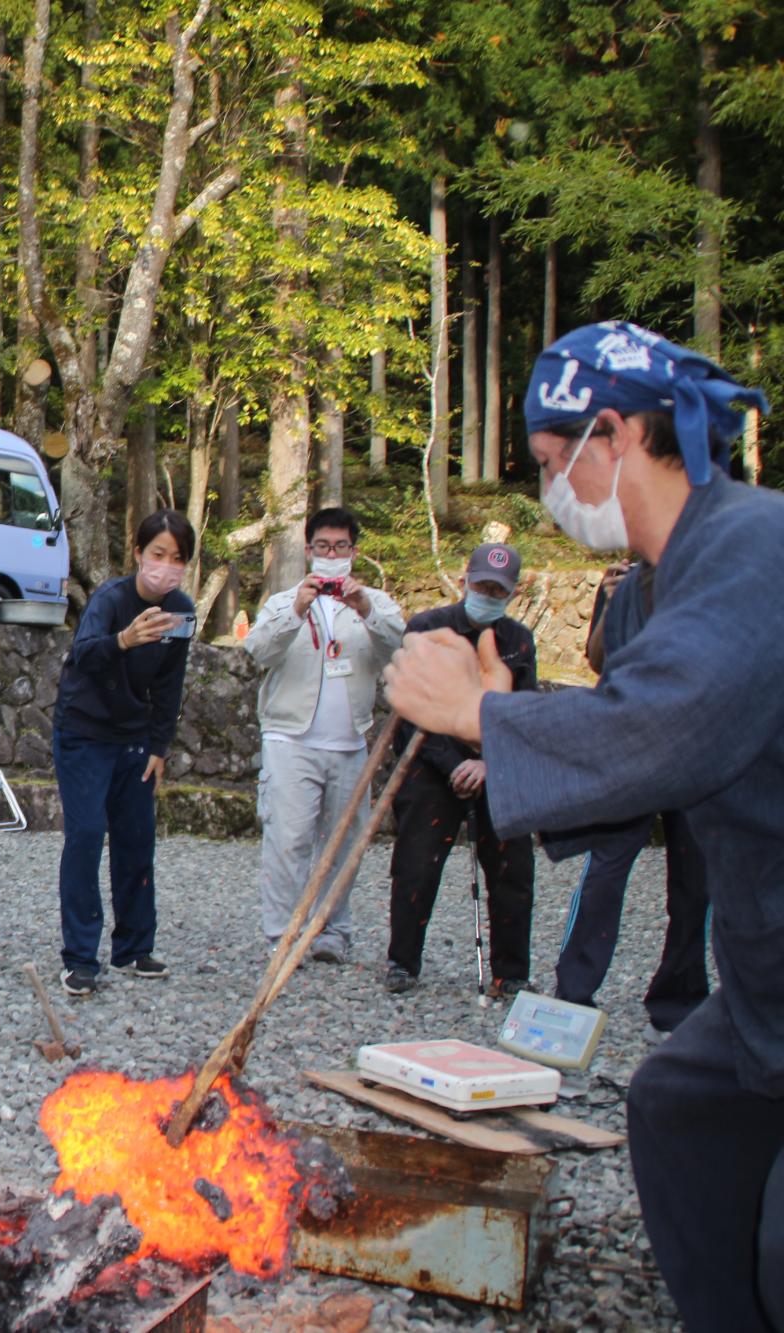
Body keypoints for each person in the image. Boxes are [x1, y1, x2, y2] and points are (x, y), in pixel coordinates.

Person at [382, 321, 778, 1333]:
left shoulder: (751, 546)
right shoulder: (663, 576)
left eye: (553, 463)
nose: (551, 489)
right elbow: (637, 745)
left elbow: (660, 726)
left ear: (610, 434)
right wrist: (506, 713)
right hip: (763, 982)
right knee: (680, 1107)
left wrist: (479, 718)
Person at [242, 507, 406, 962]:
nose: (331, 555)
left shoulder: (375, 602)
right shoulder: (282, 600)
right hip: (289, 741)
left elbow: (400, 645)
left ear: (353, 552)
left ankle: (333, 929)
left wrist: (366, 608)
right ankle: (282, 932)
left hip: (351, 743)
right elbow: (257, 651)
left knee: (342, 841)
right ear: (309, 550)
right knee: (287, 839)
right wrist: (298, 609)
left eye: (340, 547)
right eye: (322, 547)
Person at [552, 561, 709, 1032]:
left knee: (695, 879)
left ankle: (679, 995)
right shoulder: (625, 579)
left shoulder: (709, 575)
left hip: (697, 741)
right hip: (629, 741)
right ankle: (575, 988)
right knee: (606, 867)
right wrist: (614, 604)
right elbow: (598, 659)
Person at [51, 510, 197, 995]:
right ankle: (79, 957)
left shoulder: (181, 611)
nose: (166, 566)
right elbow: (83, 654)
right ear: (138, 553)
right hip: (85, 730)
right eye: (157, 554)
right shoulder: (111, 600)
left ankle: (134, 947)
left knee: (137, 839)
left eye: (177, 558)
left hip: (135, 737)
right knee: (87, 834)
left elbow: (170, 683)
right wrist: (125, 639)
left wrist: (159, 745)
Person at [383, 544, 538, 997]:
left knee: (513, 869)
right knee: (416, 864)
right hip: (431, 758)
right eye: (482, 585)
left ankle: (511, 971)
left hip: (496, 762)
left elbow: (522, 714)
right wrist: (454, 763)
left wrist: (488, 762)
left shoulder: (519, 641)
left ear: (512, 592)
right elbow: (410, 712)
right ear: (464, 579)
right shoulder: (428, 628)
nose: (488, 594)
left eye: (498, 589)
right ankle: (402, 962)